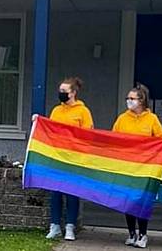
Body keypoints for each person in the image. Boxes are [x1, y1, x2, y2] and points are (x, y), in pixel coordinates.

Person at [112, 83, 162, 249]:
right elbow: (113, 138)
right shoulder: (122, 118)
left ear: (141, 101)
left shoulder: (152, 119)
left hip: (145, 168)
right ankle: (131, 233)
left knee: (141, 201)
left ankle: (143, 234)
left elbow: (161, 140)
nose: (128, 101)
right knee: (128, 200)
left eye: (132, 98)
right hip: (127, 167)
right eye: (127, 98)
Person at [45, 77, 94, 242]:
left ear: (73, 93)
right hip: (58, 157)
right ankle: (55, 226)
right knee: (55, 193)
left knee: (72, 193)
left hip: (74, 158)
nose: (61, 94)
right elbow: (50, 130)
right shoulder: (56, 111)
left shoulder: (83, 111)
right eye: (60, 91)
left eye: (64, 91)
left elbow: (88, 134)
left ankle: (70, 226)